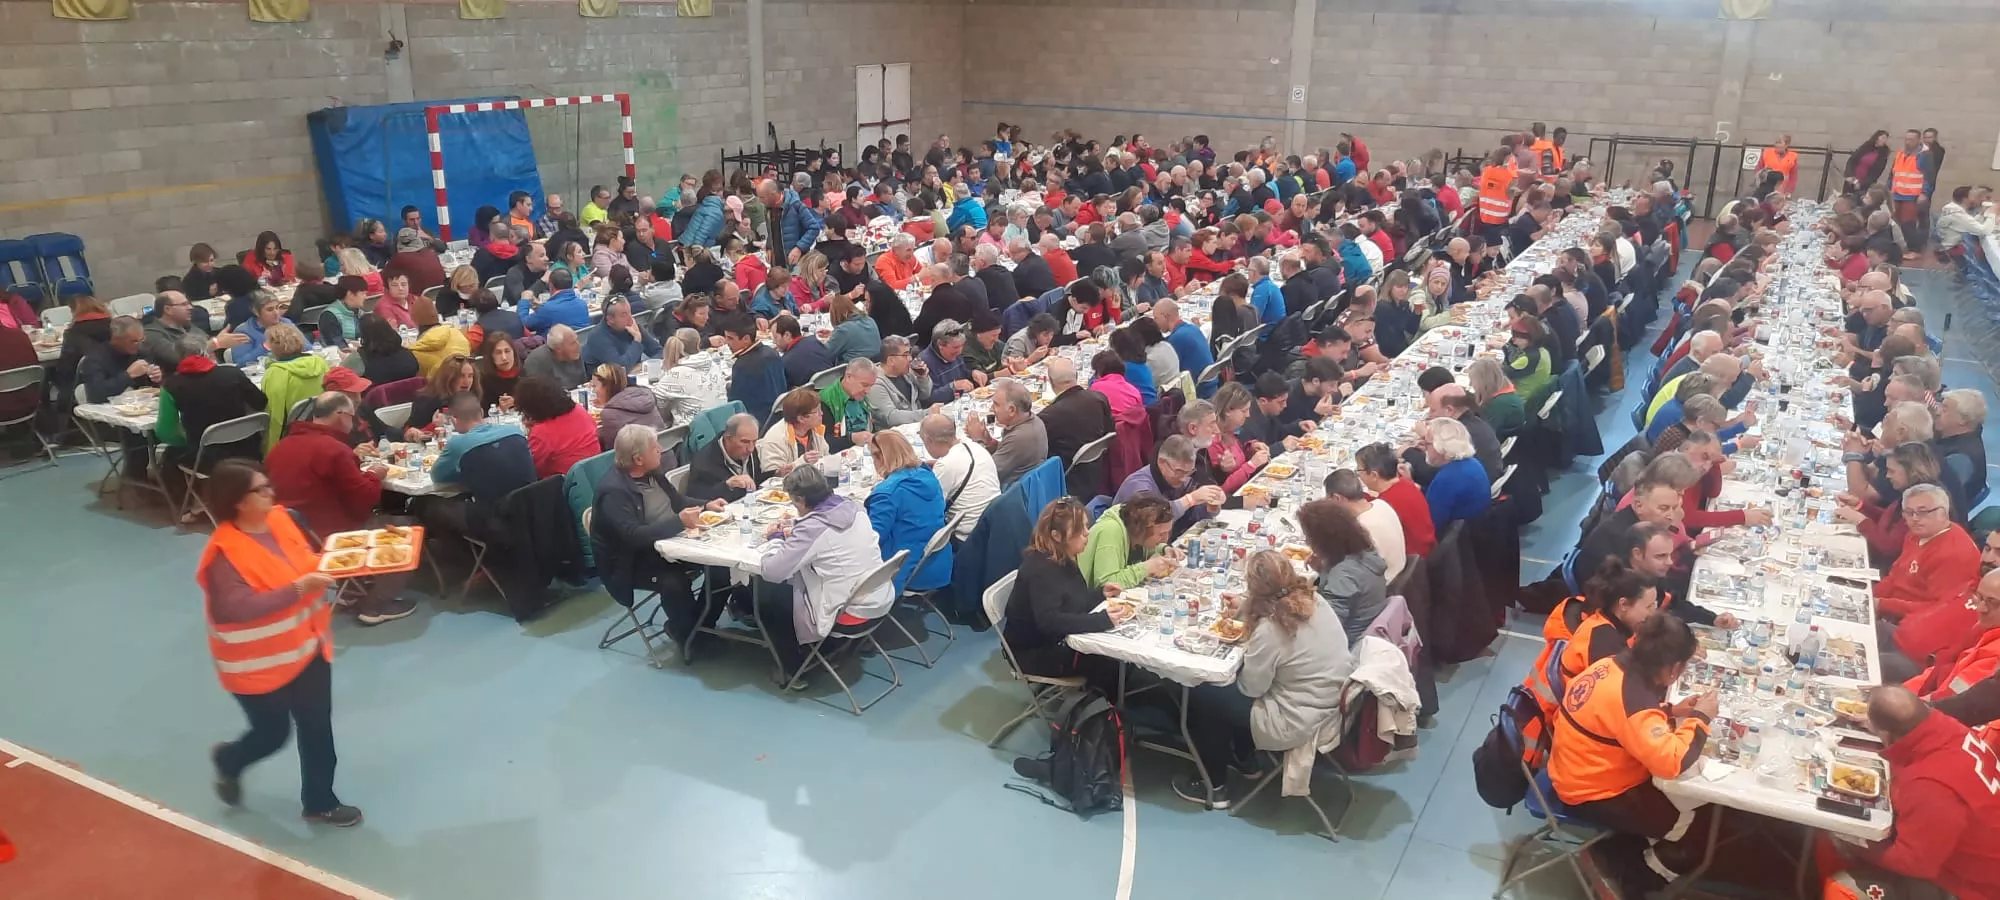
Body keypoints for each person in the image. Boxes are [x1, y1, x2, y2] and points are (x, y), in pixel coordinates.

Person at [199, 459, 362, 827]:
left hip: (307, 648)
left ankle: (321, 801)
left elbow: (303, 558)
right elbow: (236, 608)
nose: (271, 492)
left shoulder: (280, 518)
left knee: (317, 727)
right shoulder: (224, 555)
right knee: (272, 735)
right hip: (257, 666)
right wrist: (298, 589)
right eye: (261, 489)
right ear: (238, 501)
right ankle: (230, 760)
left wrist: (329, 565)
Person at [1548, 614, 1716, 887]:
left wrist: (1673, 711)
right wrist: (1700, 718)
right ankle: (1625, 877)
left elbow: (1619, 719)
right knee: (1695, 828)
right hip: (1592, 791)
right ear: (1674, 668)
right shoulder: (1634, 700)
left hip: (1571, 768)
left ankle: (1621, 852)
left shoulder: (1609, 665)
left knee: (1677, 801)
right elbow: (1672, 761)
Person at [1177, 548, 1353, 808]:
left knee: (1206, 692)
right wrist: (1247, 608)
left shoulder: (1272, 628)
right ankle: (1244, 758)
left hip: (1296, 719)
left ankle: (1213, 786)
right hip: (1331, 700)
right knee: (1227, 693)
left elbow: (1251, 688)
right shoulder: (1315, 600)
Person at [1814, 686, 2000, 900]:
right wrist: (1881, 724)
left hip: (1973, 889)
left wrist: (1855, 844)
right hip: (1956, 858)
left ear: (1888, 734)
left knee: (1842, 883)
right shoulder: (1949, 729)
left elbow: (1915, 863)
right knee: (1834, 838)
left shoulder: (1932, 785)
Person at [264, 393, 416, 624]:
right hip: (333, 535)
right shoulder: (333, 450)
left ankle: (351, 590)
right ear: (340, 415)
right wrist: (374, 475)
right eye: (352, 417)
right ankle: (376, 605)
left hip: (291, 534)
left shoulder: (280, 448)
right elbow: (365, 499)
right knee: (407, 527)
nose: (353, 423)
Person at [590, 424, 730, 644]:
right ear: (638, 459)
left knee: (722, 566)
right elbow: (633, 536)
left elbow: (678, 502)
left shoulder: (653, 474)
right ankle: (687, 636)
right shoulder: (613, 492)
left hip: (670, 544)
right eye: (655, 448)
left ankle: (701, 626)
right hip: (632, 561)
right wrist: (679, 522)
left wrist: (706, 505)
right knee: (674, 583)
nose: (661, 451)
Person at [755, 465, 893, 684]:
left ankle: (793, 669)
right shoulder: (854, 508)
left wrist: (776, 541)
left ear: (799, 500)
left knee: (771, 595)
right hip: (880, 597)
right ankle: (829, 650)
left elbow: (772, 571)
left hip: (849, 610)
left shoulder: (813, 528)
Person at [425, 393, 536, 548]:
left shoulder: (458, 444)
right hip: (531, 512)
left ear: (454, 420)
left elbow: (438, 477)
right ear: (482, 413)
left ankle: (461, 557)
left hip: (494, 521)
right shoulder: (515, 432)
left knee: (428, 505)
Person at [160, 332, 267, 482]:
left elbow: (166, 433)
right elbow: (260, 403)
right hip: (248, 451)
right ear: (207, 352)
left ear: (178, 357)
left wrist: (187, 439)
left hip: (206, 457)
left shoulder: (171, 386)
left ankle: (180, 499)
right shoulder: (233, 373)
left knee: (170, 454)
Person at [863, 431, 952, 594]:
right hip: (935, 562)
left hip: (904, 571)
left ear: (880, 458)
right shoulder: (928, 475)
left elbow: (872, 540)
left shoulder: (887, 494)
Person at [1296, 497, 1389, 646]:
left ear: (1324, 540)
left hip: (1345, 646)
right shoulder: (1365, 552)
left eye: (1309, 538)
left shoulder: (1345, 575)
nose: (1307, 542)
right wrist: (1323, 569)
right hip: (1359, 629)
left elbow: (1326, 627)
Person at [919, 413, 999, 541]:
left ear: (928, 439)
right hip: (992, 524)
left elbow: (930, 508)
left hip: (966, 536)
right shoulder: (974, 446)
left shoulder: (945, 465)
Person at [1080, 493, 1183, 589]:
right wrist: (1146, 568)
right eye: (1161, 534)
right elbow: (1107, 584)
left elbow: (1145, 545)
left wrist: (1164, 549)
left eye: (1167, 533)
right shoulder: (1111, 531)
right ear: (1142, 529)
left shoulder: (1135, 532)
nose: (1165, 539)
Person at [1322, 468, 1405, 583]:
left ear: (1337, 498)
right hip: (1400, 572)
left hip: (1384, 586)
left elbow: (1348, 574)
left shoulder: (1359, 529)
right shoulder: (1381, 504)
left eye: (1328, 499)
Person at [965, 378, 1047, 487]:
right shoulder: (1034, 420)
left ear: (1012, 410)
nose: (991, 409)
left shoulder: (1019, 438)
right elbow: (1007, 452)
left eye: (996, 404)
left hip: (1013, 495)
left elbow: (984, 472)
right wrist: (989, 442)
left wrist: (977, 441)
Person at [513, 375, 599, 480]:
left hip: (566, 484)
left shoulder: (541, 432)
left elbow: (529, 469)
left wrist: (531, 431)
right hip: (594, 474)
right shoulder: (579, 410)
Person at [257, 324, 326, 454]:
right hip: (319, 427)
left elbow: (275, 416)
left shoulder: (277, 372)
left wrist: (272, 452)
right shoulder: (320, 362)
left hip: (291, 435)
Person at [1416, 417, 1490, 531]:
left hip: (1453, 541)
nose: (1424, 448)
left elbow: (1430, 525)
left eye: (1427, 444)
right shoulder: (1471, 463)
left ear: (1441, 447)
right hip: (1473, 533)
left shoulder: (1448, 478)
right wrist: (1416, 488)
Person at [687, 413, 768, 504]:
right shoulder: (704, 461)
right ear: (728, 438)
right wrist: (727, 485)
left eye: (754, 441)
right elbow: (695, 499)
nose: (751, 448)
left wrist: (775, 473)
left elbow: (755, 481)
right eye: (745, 442)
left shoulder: (749, 449)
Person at [403, 354, 479, 441]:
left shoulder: (473, 396)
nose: (467, 381)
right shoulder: (427, 400)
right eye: (461, 376)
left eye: (470, 376)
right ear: (448, 377)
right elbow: (409, 432)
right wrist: (434, 426)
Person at [758, 387, 831, 476]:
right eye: (817, 411)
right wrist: (801, 462)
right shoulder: (776, 439)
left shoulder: (816, 430)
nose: (822, 414)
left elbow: (826, 457)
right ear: (801, 418)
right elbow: (773, 476)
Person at [591, 364, 664, 451]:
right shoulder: (645, 395)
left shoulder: (609, 414)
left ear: (607, 386)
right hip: (666, 454)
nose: (593, 390)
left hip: (642, 461)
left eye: (595, 386)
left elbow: (612, 450)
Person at [580, 297, 662, 373]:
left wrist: (644, 365)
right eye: (624, 315)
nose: (630, 318)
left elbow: (660, 351)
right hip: (605, 384)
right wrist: (637, 341)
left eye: (630, 312)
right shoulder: (597, 337)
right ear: (610, 319)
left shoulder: (631, 326)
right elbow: (621, 368)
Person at [816, 358, 876, 453]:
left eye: (871, 386)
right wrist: (851, 439)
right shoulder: (825, 401)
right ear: (848, 377)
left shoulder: (860, 395)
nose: (868, 391)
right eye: (864, 385)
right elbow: (822, 443)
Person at [341, 314, 420, 386]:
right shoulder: (408, 354)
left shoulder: (359, 359)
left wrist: (349, 357)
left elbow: (339, 376)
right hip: (410, 399)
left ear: (363, 336)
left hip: (375, 400)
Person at [406, 296, 470, 379]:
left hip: (439, 390)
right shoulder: (458, 334)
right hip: (468, 385)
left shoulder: (416, 354)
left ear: (414, 321)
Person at [228, 291, 294, 368]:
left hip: (289, 369)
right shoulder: (243, 332)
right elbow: (240, 363)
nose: (276, 313)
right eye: (270, 310)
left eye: (277, 307)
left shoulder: (286, 322)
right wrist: (265, 346)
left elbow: (307, 348)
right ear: (256, 312)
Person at [772, 313, 836, 389]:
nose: (774, 341)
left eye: (775, 337)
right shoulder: (815, 341)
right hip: (833, 389)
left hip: (811, 398)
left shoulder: (785, 362)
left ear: (787, 335)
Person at [524, 324, 586, 390]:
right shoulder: (537, 361)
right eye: (572, 343)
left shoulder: (575, 354)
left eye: (577, 340)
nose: (578, 345)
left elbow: (583, 383)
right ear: (558, 348)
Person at [826, 292, 881, 364]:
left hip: (851, 368)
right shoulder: (869, 320)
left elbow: (826, 353)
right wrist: (833, 334)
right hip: (874, 365)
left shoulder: (843, 330)